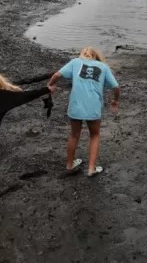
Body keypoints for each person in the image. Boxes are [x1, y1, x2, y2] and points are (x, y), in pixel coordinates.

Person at [48, 47, 120, 177]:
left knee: (74, 135)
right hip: (93, 107)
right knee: (95, 135)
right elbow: (116, 87)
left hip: (76, 106)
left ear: (83, 54)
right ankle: (91, 169)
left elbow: (56, 75)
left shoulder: (75, 62)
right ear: (96, 56)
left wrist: (50, 86)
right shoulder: (103, 67)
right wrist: (115, 100)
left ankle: (69, 165)